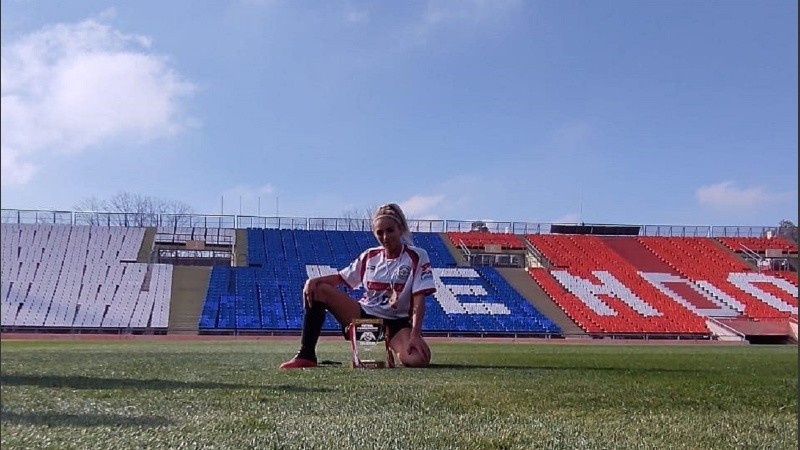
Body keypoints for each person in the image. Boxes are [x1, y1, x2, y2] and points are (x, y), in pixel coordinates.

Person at [280, 203, 436, 369]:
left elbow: (419, 298)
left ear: (401, 229)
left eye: (390, 230)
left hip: (397, 323)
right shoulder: (370, 256)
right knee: (317, 289)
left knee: (418, 359)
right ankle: (306, 355)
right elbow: (342, 278)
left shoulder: (417, 256)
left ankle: (392, 343)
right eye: (379, 232)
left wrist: (415, 334)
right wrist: (314, 281)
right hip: (365, 315)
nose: (385, 237)